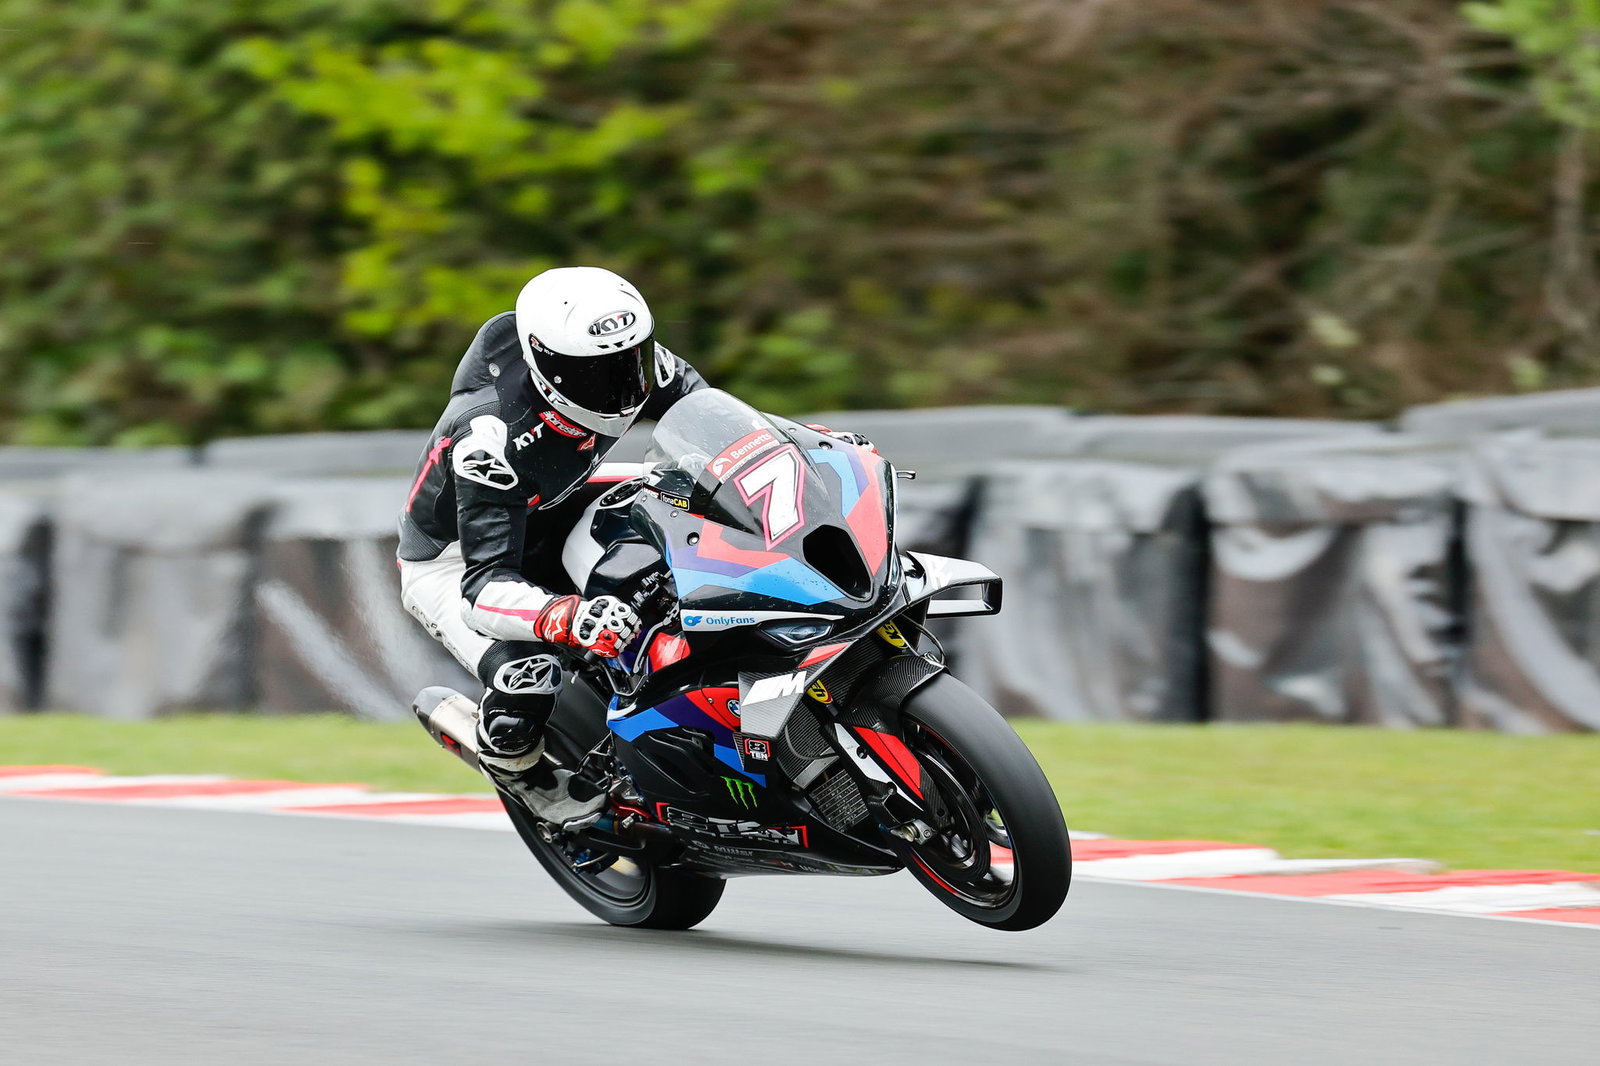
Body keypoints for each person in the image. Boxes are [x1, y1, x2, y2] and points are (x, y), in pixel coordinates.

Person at [397, 266, 710, 824]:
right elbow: (483, 586)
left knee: (684, 524)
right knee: (531, 670)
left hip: (561, 500)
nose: (623, 388)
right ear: (545, 365)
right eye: (596, 375)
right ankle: (515, 763)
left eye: (630, 362)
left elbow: (716, 425)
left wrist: (788, 448)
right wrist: (564, 616)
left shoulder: (641, 364)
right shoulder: (486, 434)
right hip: (458, 560)